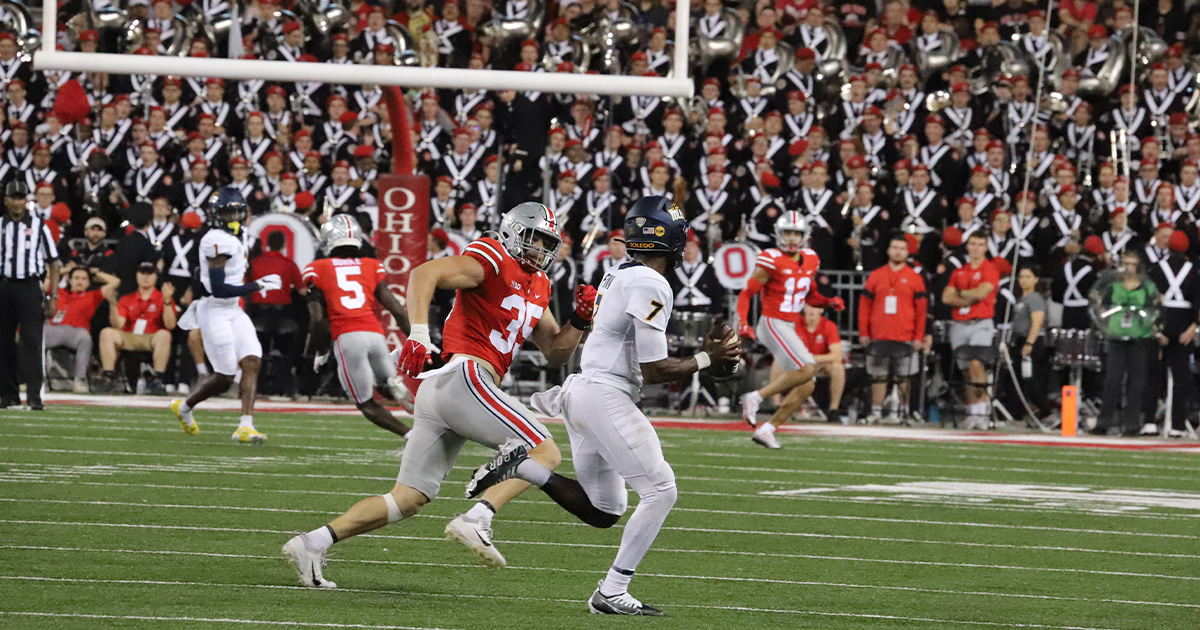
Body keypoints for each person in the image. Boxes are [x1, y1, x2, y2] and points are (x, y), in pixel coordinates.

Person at [281, 202, 594, 588]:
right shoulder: (492, 257)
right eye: (534, 238)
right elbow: (424, 273)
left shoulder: (539, 284)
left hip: (451, 391)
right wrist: (418, 332)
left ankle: (313, 542)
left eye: (548, 241)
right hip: (465, 375)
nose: (540, 248)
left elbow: (554, 352)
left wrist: (580, 320)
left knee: (407, 498)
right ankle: (477, 516)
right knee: (543, 451)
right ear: (513, 232)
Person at [466, 196, 740, 615]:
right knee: (662, 491)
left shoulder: (623, 273)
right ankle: (612, 591)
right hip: (604, 395)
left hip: (586, 394)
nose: (684, 244)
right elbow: (653, 369)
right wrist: (707, 361)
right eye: (680, 235)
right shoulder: (651, 282)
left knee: (604, 510)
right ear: (664, 238)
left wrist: (703, 361)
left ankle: (522, 466)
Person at [170, 188, 282, 443]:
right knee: (225, 376)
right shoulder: (215, 240)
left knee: (252, 359)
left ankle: (245, 425)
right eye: (226, 212)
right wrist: (257, 285)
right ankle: (185, 406)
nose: (232, 217)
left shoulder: (238, 236)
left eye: (236, 211)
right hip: (214, 309)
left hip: (233, 309)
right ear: (215, 215)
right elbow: (219, 289)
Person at [737, 211, 845, 448]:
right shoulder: (771, 259)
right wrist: (743, 322)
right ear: (779, 234)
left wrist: (828, 302)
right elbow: (747, 292)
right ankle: (755, 397)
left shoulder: (810, 258)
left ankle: (767, 429)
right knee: (808, 369)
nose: (793, 238)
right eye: (788, 232)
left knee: (808, 384)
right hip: (772, 322)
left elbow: (810, 294)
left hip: (788, 325)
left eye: (797, 233)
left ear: (804, 235)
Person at [303, 214, 412, 437]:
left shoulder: (318, 268)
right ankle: (394, 386)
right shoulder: (371, 265)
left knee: (365, 403)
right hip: (375, 335)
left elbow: (317, 320)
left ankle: (412, 437)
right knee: (384, 386)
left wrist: (321, 350)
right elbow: (398, 310)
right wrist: (419, 339)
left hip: (348, 337)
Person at [0, 180, 59, 410]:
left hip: (29, 288)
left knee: (32, 341)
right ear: (6, 200)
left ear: (27, 200)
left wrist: (53, 296)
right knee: (3, 343)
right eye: (13, 197)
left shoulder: (40, 226)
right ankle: (8, 395)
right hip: (4, 288)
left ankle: (35, 397)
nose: (17, 202)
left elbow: (53, 262)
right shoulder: (1, 225)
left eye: (21, 197)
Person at [858, 233, 928, 424]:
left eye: (902, 248)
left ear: (907, 253)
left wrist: (919, 336)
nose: (898, 252)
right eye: (895, 247)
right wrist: (864, 332)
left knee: (904, 376)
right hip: (878, 334)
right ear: (889, 250)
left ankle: (902, 411)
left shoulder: (915, 278)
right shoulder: (876, 276)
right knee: (878, 375)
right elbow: (864, 306)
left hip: (905, 334)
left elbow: (921, 311)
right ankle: (876, 411)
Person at [1094, 251, 1159, 436]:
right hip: (1116, 334)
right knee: (1112, 380)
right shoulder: (1113, 285)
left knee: (1136, 382)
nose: (1129, 267)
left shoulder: (1147, 286)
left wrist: (1153, 325)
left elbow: (1155, 308)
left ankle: (1132, 424)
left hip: (1139, 336)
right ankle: (1104, 422)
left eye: (1133, 263)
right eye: (1126, 263)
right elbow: (1100, 305)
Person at [941, 232, 1000, 429]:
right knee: (965, 370)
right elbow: (947, 297)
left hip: (980, 322)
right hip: (960, 323)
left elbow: (983, 292)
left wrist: (961, 294)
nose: (976, 248)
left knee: (977, 364)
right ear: (968, 247)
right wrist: (969, 296)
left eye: (980, 244)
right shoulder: (959, 272)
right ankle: (972, 410)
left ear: (985, 248)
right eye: (972, 244)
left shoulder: (990, 269)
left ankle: (982, 412)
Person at [1147, 229, 1200, 437]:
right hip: (1183, 326)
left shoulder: (1156, 269)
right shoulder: (1194, 271)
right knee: (1181, 379)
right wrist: (1192, 328)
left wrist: (1156, 331)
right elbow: (1198, 303)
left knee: (1152, 375)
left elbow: (1150, 302)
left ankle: (1149, 422)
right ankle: (1177, 425)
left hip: (1162, 324)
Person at [97, 263, 177, 394]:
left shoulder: (161, 297)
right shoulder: (127, 298)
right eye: (142, 273)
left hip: (152, 337)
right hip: (130, 336)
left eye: (149, 274)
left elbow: (170, 325)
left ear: (156, 277)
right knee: (107, 333)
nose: (145, 277)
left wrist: (167, 301)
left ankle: (158, 378)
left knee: (164, 335)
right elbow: (118, 325)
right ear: (137, 276)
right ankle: (109, 377)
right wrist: (112, 304)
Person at [46, 265, 120, 393]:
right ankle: (37, 379)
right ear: (69, 280)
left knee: (85, 338)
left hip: (76, 333)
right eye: (76, 278)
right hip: (54, 330)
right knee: (35, 334)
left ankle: (80, 380)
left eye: (84, 279)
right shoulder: (58, 292)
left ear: (88, 282)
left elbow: (115, 282)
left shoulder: (93, 295)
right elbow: (46, 277)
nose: (79, 281)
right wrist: (66, 270)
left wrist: (95, 273)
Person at [1006, 265, 1050, 420]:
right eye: (1021, 277)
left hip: (1030, 340)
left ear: (1035, 280)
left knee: (1030, 377)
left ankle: (1045, 408)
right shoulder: (1021, 299)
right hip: (1020, 339)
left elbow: (1037, 322)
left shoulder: (1035, 298)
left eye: (1028, 277)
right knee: (1019, 377)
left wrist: (1030, 343)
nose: (1023, 280)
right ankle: (1018, 411)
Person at [795, 304, 846, 422]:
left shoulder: (828, 326)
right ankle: (776, 405)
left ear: (821, 309)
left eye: (816, 307)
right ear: (804, 308)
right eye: (810, 306)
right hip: (799, 363)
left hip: (819, 363)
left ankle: (834, 409)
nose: (812, 310)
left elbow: (837, 355)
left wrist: (814, 358)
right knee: (778, 362)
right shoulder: (795, 324)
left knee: (838, 368)